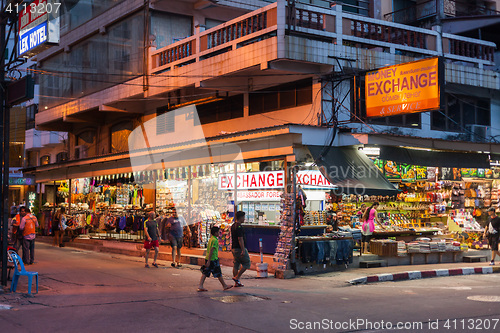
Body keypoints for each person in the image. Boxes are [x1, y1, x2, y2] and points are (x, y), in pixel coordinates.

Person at [197, 226, 233, 292]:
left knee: (206, 272)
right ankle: (224, 285)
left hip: (209, 258)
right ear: (215, 233)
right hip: (213, 259)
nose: (219, 233)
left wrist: (208, 260)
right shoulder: (215, 240)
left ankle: (200, 285)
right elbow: (212, 250)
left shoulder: (211, 239)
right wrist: (209, 261)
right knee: (217, 272)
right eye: (218, 232)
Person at [231, 211, 251, 287]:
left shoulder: (233, 225)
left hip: (234, 248)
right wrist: (243, 249)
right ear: (241, 217)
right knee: (247, 263)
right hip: (239, 248)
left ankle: (237, 282)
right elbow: (240, 239)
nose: (244, 219)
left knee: (236, 264)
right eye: (244, 217)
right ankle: (237, 277)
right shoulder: (239, 227)